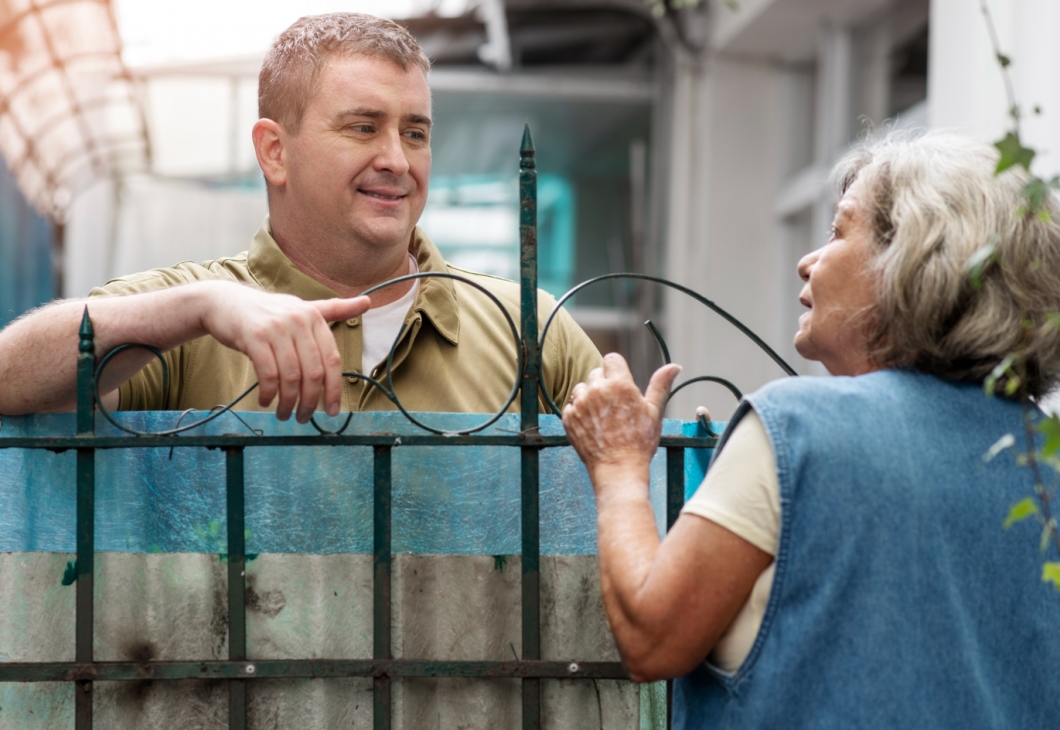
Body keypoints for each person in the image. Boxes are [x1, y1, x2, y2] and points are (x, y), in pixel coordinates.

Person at [562, 131, 1060, 728]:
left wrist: (618, 467)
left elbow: (650, 635)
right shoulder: (1043, 461)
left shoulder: (798, 431)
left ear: (911, 255)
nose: (808, 260)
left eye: (838, 231)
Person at [0, 13, 600, 421]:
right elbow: (8, 378)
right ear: (274, 152)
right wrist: (200, 308)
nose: (396, 159)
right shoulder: (193, 321)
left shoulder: (530, 328)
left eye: (414, 133)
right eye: (363, 127)